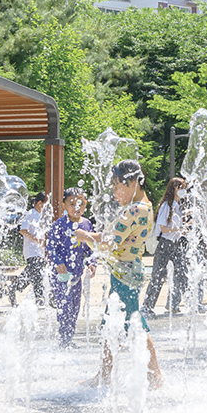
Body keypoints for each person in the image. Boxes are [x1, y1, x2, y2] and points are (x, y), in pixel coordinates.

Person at [75, 160, 163, 389]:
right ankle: (106, 375)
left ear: (133, 182)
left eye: (117, 187)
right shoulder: (146, 206)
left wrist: (84, 235)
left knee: (133, 325)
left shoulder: (136, 209)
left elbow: (109, 240)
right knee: (115, 323)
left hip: (125, 274)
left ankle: (154, 377)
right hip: (126, 271)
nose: (114, 193)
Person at [48, 187, 95, 349]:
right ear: (63, 206)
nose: (77, 207)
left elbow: (91, 247)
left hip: (76, 274)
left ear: (85, 204)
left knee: (75, 305)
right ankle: (63, 339)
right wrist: (57, 261)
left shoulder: (87, 224)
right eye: (72, 204)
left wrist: (91, 262)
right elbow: (50, 246)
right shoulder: (59, 225)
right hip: (60, 274)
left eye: (80, 204)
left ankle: (69, 337)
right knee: (64, 305)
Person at [141, 178, 188, 318]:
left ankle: (193, 303)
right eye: (181, 187)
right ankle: (147, 306)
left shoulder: (179, 206)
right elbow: (163, 228)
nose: (183, 191)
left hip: (176, 243)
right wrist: (180, 228)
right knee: (158, 276)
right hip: (165, 244)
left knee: (182, 274)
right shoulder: (166, 206)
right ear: (173, 189)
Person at [9, 192, 49, 307]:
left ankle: (14, 287)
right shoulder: (31, 213)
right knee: (36, 273)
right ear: (40, 203)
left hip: (39, 251)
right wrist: (37, 240)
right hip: (32, 250)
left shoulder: (40, 216)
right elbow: (23, 230)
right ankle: (39, 297)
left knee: (34, 274)